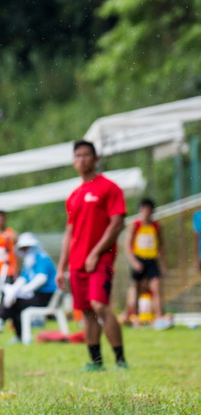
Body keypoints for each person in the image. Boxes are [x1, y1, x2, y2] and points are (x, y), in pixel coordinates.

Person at [55, 140, 128, 371]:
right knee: (86, 311)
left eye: (87, 155)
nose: (82, 159)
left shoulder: (109, 188)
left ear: (96, 159)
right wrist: (61, 267)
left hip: (101, 259)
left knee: (100, 305)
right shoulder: (74, 196)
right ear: (73, 161)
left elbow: (117, 223)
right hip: (77, 263)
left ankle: (120, 360)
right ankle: (96, 362)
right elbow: (69, 232)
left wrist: (96, 253)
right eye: (78, 156)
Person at [0, 233, 57, 342]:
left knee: (15, 303)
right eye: (23, 249)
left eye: (27, 248)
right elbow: (23, 279)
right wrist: (13, 290)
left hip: (47, 296)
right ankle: (13, 331)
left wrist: (22, 291)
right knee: (13, 301)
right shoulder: (29, 262)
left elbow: (41, 279)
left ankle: (0, 321)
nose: (26, 251)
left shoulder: (42, 258)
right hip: (37, 295)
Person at [122, 198, 170, 330]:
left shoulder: (156, 226)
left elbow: (161, 246)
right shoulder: (135, 225)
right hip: (138, 259)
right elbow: (127, 245)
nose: (147, 212)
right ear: (140, 210)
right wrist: (134, 261)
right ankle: (131, 315)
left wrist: (163, 265)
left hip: (152, 260)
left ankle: (159, 316)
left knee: (156, 287)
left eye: (149, 209)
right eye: (144, 209)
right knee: (135, 289)